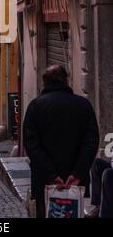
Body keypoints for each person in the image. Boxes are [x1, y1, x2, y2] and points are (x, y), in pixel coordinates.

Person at [23, 65, 100, 218]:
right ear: (66, 80)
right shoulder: (83, 105)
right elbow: (91, 142)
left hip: (45, 181)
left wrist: (51, 175)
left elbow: (32, 146)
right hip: (76, 182)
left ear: (44, 83)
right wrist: (77, 173)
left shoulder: (36, 106)